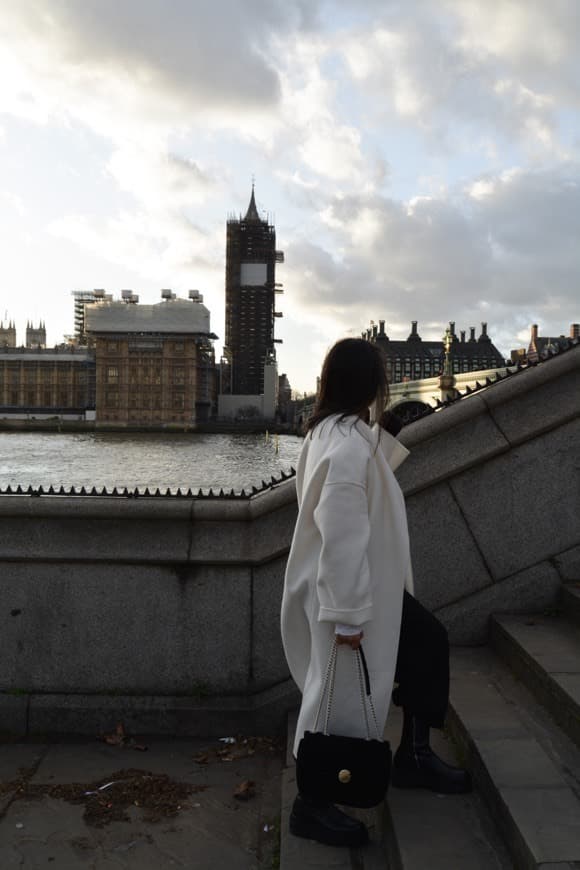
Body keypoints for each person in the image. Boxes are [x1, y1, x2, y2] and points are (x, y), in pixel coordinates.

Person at [281, 338, 471, 849]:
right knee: (335, 702)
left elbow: (360, 469)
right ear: (368, 385)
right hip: (354, 599)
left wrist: (385, 436)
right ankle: (311, 804)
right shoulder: (344, 445)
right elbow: (342, 531)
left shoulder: (329, 432)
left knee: (425, 645)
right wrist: (347, 618)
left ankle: (412, 755)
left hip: (368, 593)